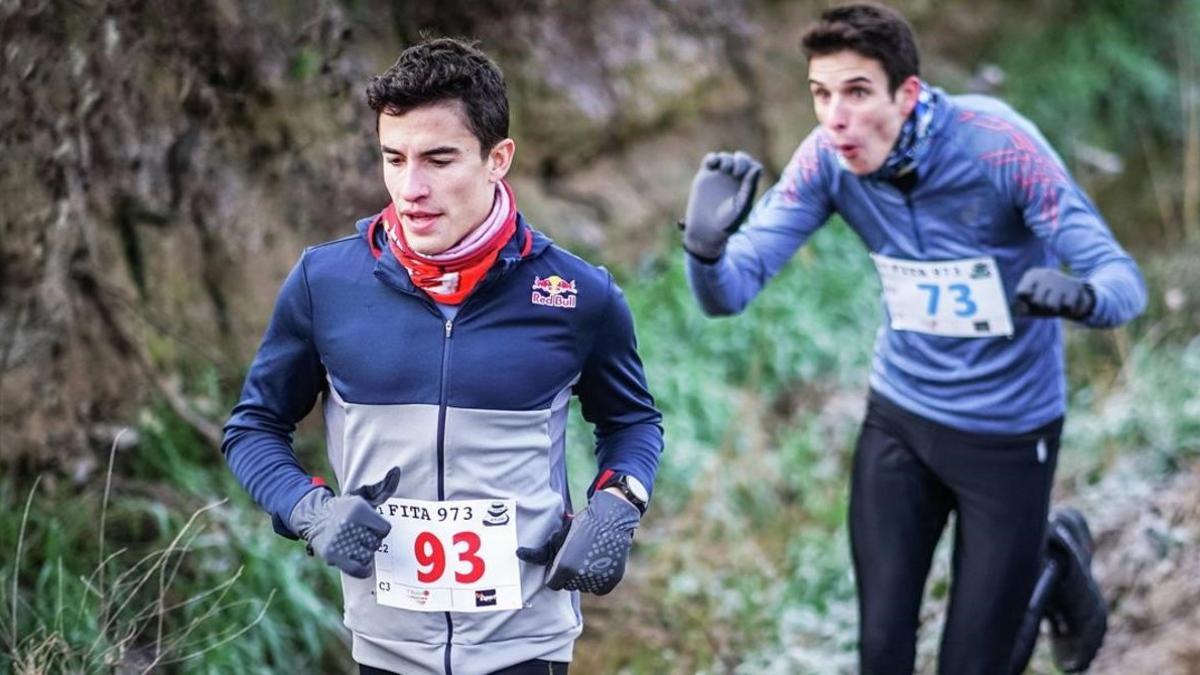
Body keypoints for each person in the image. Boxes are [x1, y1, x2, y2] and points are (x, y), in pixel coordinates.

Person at [679, 4, 1144, 674]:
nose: (835, 117)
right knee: (880, 654)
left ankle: (1054, 563)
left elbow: (1121, 279)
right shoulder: (826, 160)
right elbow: (730, 293)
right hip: (901, 420)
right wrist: (703, 249)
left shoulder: (1000, 147)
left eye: (857, 92)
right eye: (821, 94)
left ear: (908, 94)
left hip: (1008, 434)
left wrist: (1082, 297)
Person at [223, 38, 663, 675]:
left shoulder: (576, 295)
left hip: (526, 645)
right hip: (385, 644)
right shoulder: (327, 283)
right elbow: (253, 427)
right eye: (393, 159)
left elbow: (632, 422)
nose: (411, 187)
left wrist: (620, 501)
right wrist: (309, 509)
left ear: (497, 159)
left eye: (439, 159)